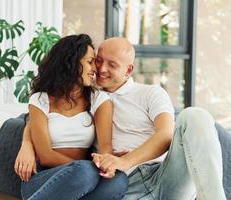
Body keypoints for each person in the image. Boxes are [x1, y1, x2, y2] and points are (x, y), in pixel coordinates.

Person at [91, 37, 226, 200]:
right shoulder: (87, 99)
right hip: (125, 187)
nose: (102, 69)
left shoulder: (150, 93)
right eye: (98, 61)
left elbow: (166, 134)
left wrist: (126, 161)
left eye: (112, 65)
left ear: (128, 70)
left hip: (166, 176)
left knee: (195, 115)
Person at [14, 34, 128, 200]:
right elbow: (45, 155)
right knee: (84, 172)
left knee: (119, 181)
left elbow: (105, 147)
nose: (95, 69)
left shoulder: (99, 100)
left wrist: (106, 164)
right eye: (90, 62)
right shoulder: (40, 99)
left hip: (84, 178)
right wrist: (85, 167)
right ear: (71, 63)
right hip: (44, 178)